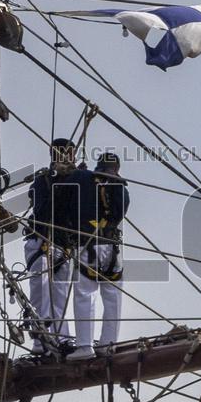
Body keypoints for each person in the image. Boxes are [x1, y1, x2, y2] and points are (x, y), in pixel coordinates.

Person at [67, 152, 129, 361]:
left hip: (88, 244)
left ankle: (85, 345)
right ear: (117, 169)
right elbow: (120, 213)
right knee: (113, 297)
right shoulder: (121, 186)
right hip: (112, 247)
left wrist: (81, 172)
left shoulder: (83, 180)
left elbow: (71, 205)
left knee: (85, 294)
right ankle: (108, 343)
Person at [25, 137, 78, 354]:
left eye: (70, 153)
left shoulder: (77, 179)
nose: (68, 157)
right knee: (41, 294)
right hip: (42, 240)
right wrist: (59, 182)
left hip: (63, 243)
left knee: (60, 295)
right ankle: (40, 343)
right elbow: (42, 211)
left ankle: (61, 338)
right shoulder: (43, 181)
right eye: (64, 153)